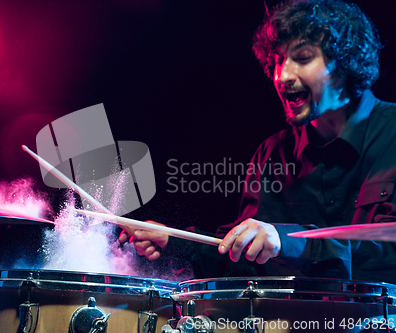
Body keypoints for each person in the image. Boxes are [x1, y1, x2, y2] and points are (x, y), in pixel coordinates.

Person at [120, 0, 396, 283]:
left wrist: (289, 242)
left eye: (302, 58)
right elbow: (246, 265)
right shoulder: (272, 154)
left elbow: (389, 253)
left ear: (345, 62)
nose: (283, 75)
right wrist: (175, 242)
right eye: (277, 61)